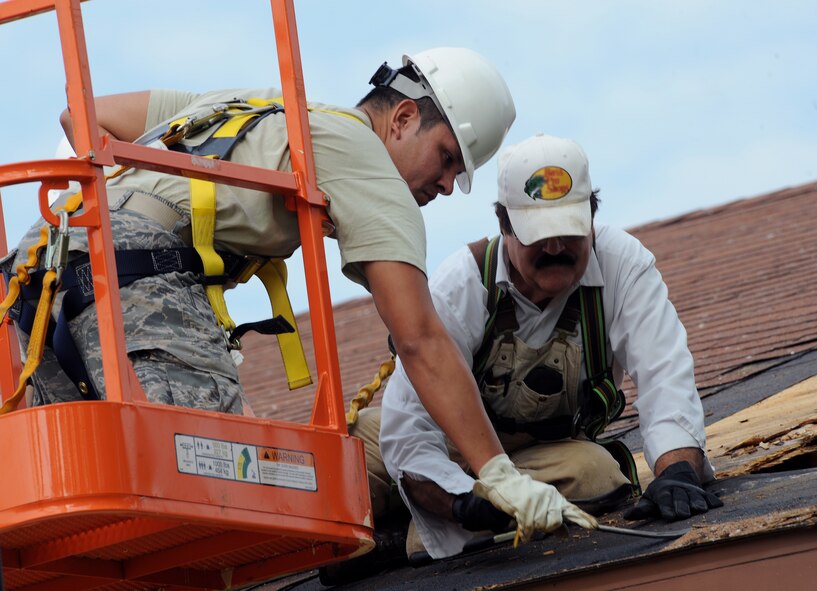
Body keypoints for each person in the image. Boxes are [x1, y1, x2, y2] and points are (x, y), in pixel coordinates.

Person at [370, 133, 722, 560]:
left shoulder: (623, 265)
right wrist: (465, 502)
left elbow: (664, 373)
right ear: (504, 226)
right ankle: (413, 523)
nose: (555, 247)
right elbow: (408, 437)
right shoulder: (461, 285)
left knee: (597, 475)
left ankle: (419, 534)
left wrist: (677, 469)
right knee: (349, 474)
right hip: (435, 449)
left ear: (592, 218)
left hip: (536, 458)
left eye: (569, 232)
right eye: (540, 235)